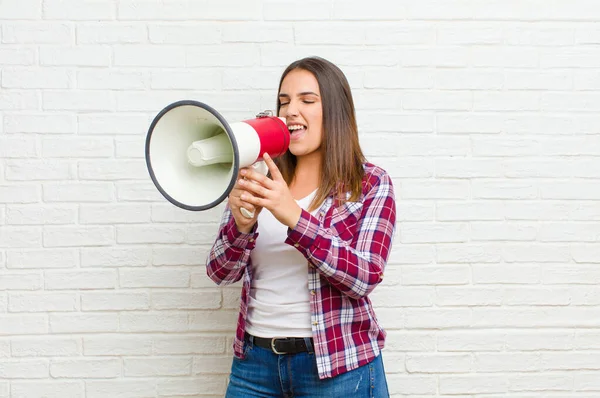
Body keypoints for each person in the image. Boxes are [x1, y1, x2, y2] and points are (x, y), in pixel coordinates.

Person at [206, 56, 396, 397]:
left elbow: (364, 276)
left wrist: (293, 215)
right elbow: (220, 273)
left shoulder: (369, 183)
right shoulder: (258, 176)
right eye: (284, 101)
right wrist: (241, 226)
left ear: (335, 112)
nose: (291, 110)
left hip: (340, 367)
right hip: (254, 365)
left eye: (307, 100)